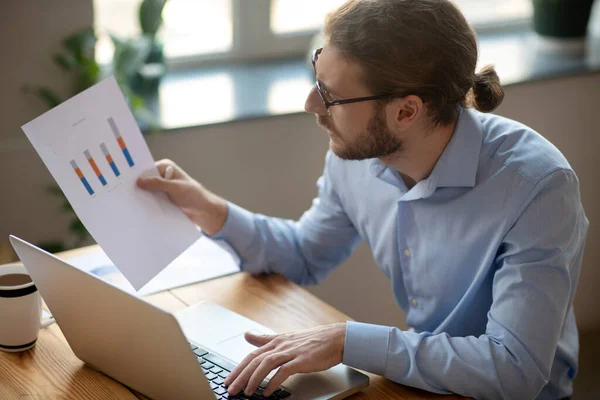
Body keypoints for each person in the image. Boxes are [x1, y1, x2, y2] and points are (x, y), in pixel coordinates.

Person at [137, 0, 588, 398]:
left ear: (406, 111)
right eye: (317, 77)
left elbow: (514, 369)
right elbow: (304, 254)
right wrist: (207, 208)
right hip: (419, 383)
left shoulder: (538, 186)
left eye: (331, 96)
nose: (312, 104)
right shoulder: (357, 155)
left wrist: (346, 341)